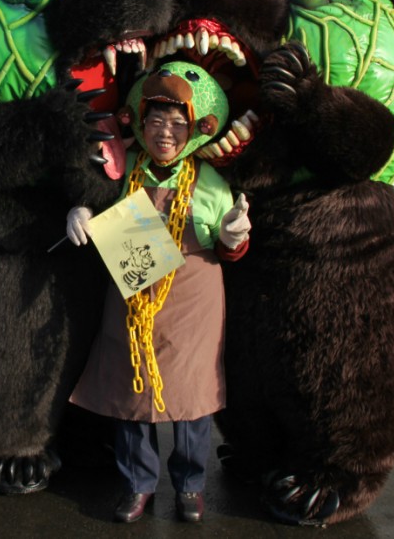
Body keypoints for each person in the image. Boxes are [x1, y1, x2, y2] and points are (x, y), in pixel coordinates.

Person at [66, 62, 251, 523]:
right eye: (156, 120)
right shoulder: (122, 165)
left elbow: (232, 250)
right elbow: (94, 192)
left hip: (193, 297)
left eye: (177, 124)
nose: (165, 133)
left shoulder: (208, 180)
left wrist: (233, 234)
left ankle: (190, 486)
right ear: (139, 121)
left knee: (190, 395)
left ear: (194, 130)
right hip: (131, 294)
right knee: (131, 393)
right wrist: (82, 209)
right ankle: (137, 485)